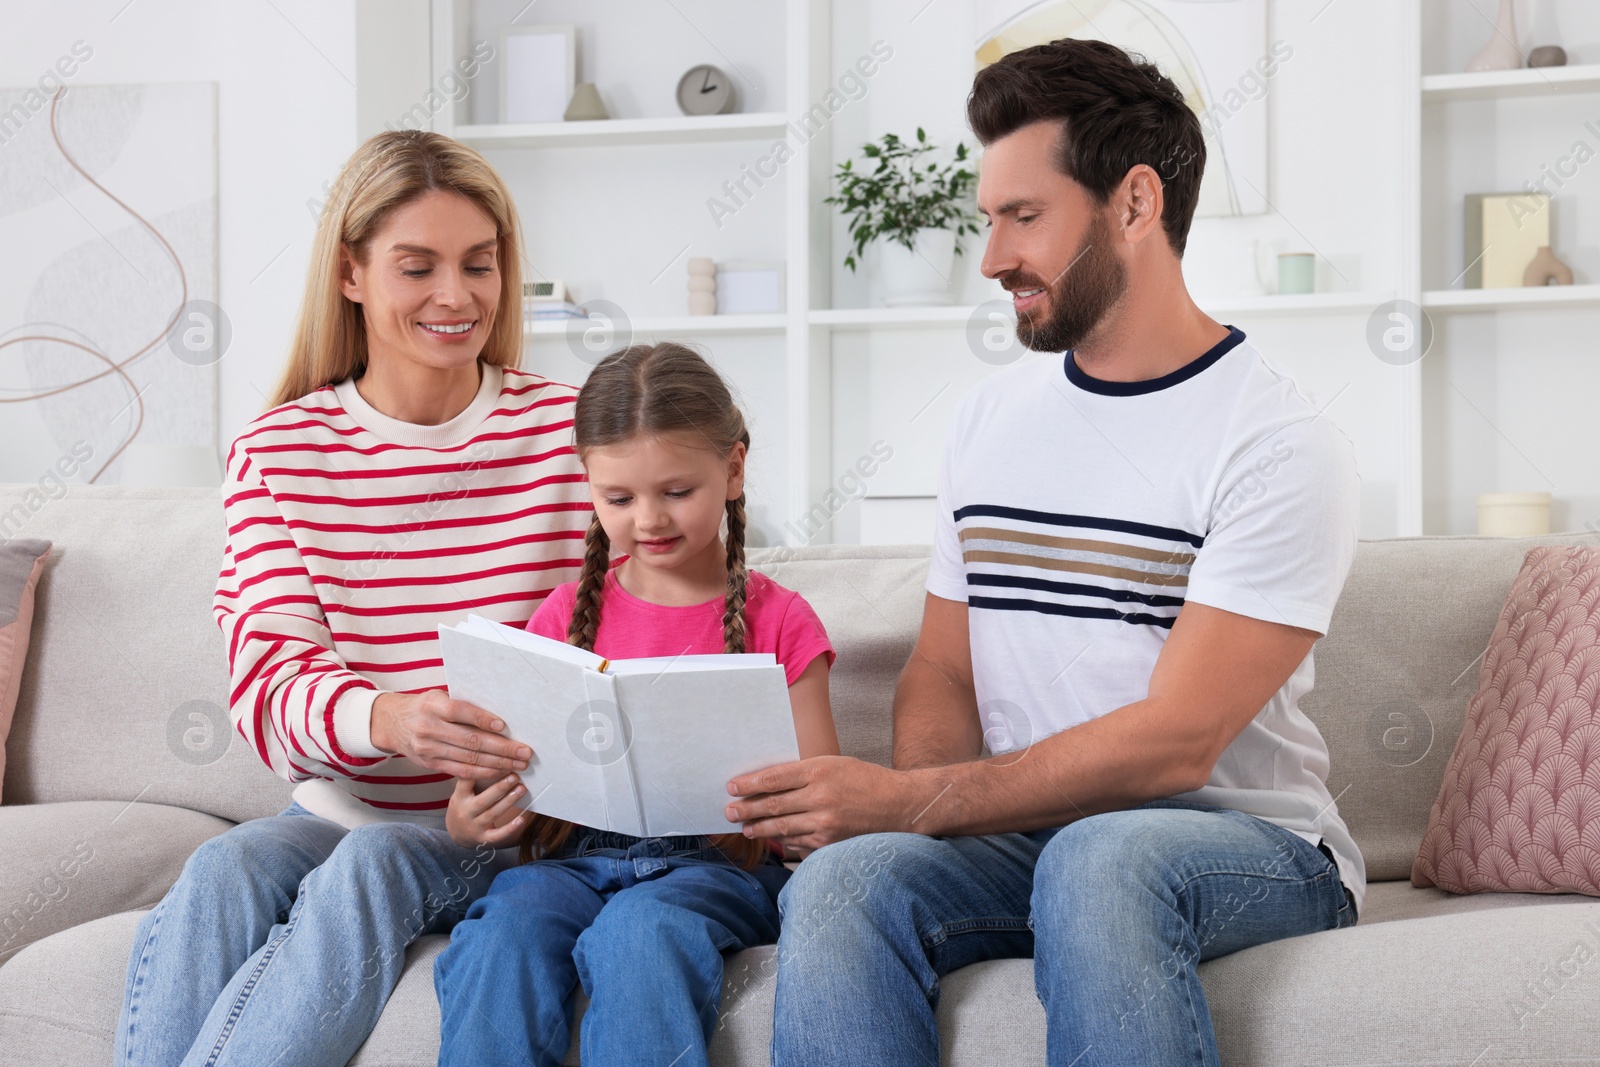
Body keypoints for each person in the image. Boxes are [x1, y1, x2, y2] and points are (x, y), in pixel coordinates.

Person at [724, 38, 1364, 1067]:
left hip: (1246, 842)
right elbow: (940, 665)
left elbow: (1174, 742)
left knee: (1102, 858)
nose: (991, 258)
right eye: (990, 220)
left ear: (1134, 203)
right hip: (1037, 836)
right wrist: (920, 812)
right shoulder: (989, 419)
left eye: (1023, 216)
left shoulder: (1276, 442)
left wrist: (911, 798)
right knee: (845, 879)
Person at [114, 130, 593, 1067]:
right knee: (225, 864)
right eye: (417, 267)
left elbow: (653, 618)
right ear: (351, 275)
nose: (457, 297)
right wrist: (388, 717)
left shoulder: (569, 432)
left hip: (511, 826)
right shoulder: (279, 452)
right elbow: (267, 689)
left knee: (377, 867)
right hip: (344, 811)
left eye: (479, 265)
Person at [433, 341, 839, 1067]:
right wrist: (471, 818)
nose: (648, 517)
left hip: (716, 869)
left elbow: (826, 798)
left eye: (676, 491)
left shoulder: (782, 619)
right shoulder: (561, 615)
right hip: (572, 864)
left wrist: (799, 824)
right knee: (500, 933)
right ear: (589, 485)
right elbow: (492, 784)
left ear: (734, 470)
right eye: (618, 498)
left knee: (640, 931)